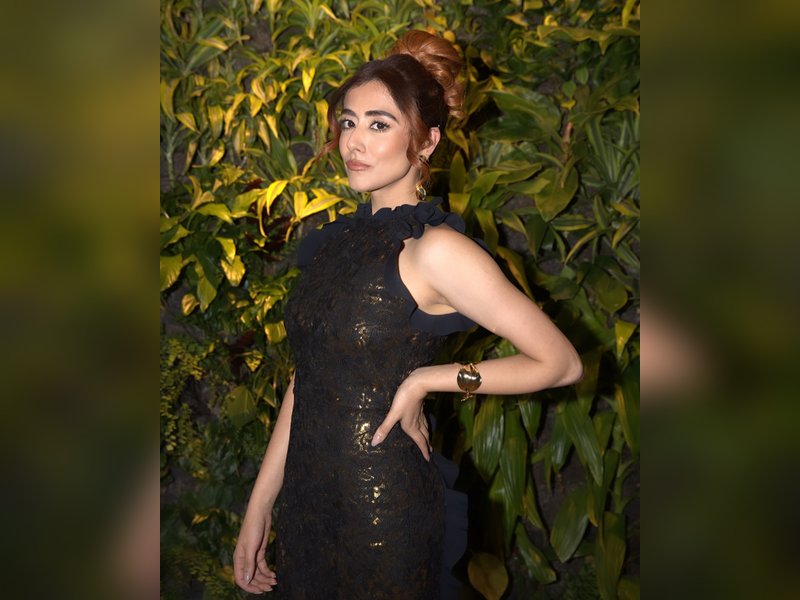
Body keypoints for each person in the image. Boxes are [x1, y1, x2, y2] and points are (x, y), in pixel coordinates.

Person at [233, 30, 583, 598]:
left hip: (384, 515)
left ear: (425, 142)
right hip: (308, 504)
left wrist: (429, 379)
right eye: (348, 122)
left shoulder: (436, 251)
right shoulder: (335, 244)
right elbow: (308, 377)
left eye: (379, 124)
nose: (354, 141)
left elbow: (560, 362)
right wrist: (259, 506)